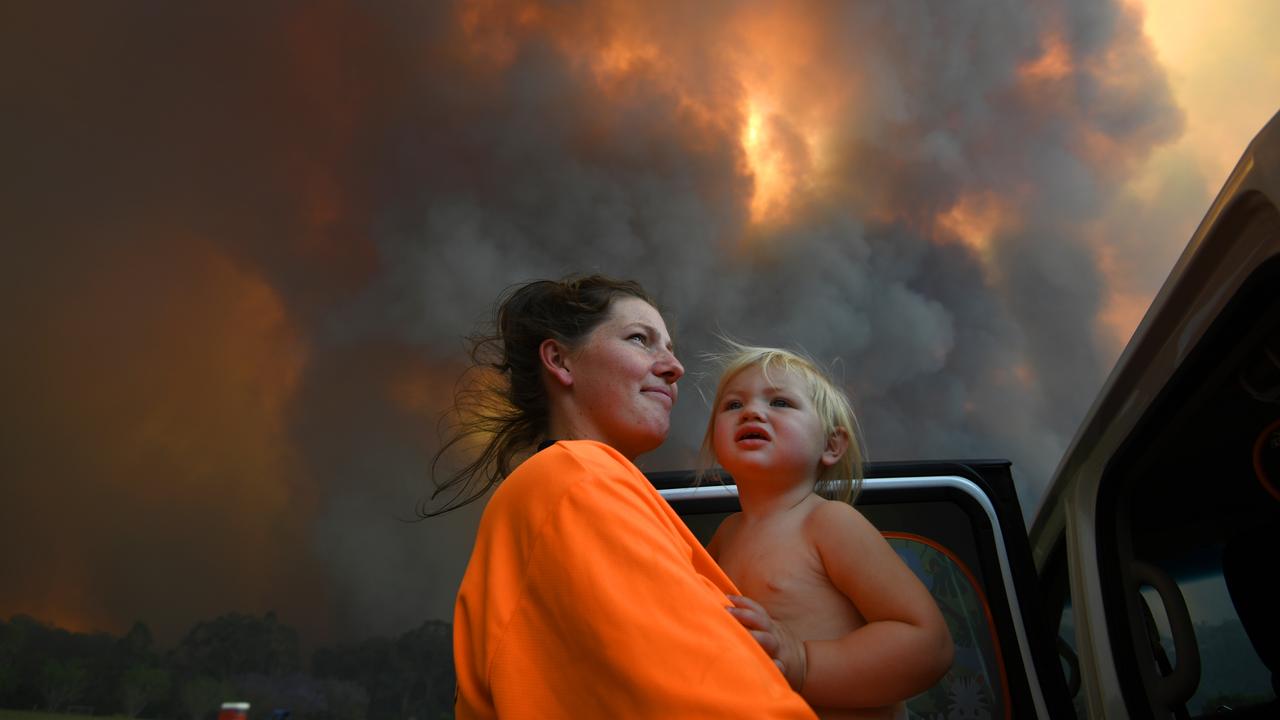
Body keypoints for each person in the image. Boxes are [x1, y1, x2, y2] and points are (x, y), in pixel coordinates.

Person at [430, 276, 816, 719]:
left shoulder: (573, 483)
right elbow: (701, 699)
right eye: (640, 340)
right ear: (560, 361)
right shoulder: (576, 478)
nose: (674, 367)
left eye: (670, 348)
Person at [699, 344, 954, 719]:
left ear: (831, 445)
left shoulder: (830, 523)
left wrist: (804, 662)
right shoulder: (726, 535)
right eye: (733, 405)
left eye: (781, 403)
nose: (752, 411)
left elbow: (928, 643)